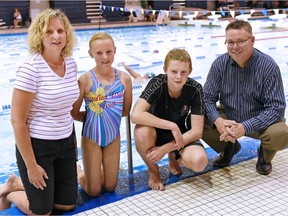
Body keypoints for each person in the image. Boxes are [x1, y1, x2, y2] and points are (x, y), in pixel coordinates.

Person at [0, 9, 79, 214]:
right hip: (38, 147)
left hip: (66, 142)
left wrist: (73, 145)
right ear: (39, 36)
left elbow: (67, 109)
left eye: (60, 31)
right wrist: (31, 166)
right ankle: (11, 192)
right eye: (49, 31)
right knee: (42, 212)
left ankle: (20, 182)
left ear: (67, 34)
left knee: (66, 205)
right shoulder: (31, 69)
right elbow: (17, 121)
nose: (56, 36)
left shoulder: (70, 63)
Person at [202, 20, 288, 176]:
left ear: (252, 40)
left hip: (260, 122)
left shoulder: (268, 66)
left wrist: (245, 126)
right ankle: (229, 147)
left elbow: (276, 108)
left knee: (280, 134)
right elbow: (206, 98)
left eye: (241, 41)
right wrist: (218, 120)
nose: (235, 47)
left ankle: (265, 155)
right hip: (229, 118)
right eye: (230, 42)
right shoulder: (220, 64)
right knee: (198, 119)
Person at [131, 48, 208, 191]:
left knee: (200, 162)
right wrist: (172, 126)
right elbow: (135, 115)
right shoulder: (157, 83)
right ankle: (154, 172)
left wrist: (167, 148)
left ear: (190, 71)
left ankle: (173, 156)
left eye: (183, 72)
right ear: (165, 70)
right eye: (174, 72)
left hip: (178, 136)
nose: (178, 77)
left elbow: (197, 131)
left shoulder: (195, 89)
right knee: (141, 132)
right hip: (155, 133)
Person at [71, 32, 132, 197]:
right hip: (91, 137)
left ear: (115, 51)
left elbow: (125, 111)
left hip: (113, 136)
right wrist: (92, 116)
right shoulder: (85, 80)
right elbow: (73, 112)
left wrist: (104, 111)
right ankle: (78, 172)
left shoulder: (124, 79)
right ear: (91, 54)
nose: (105, 57)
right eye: (99, 53)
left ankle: (102, 168)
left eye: (109, 52)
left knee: (110, 187)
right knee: (93, 191)